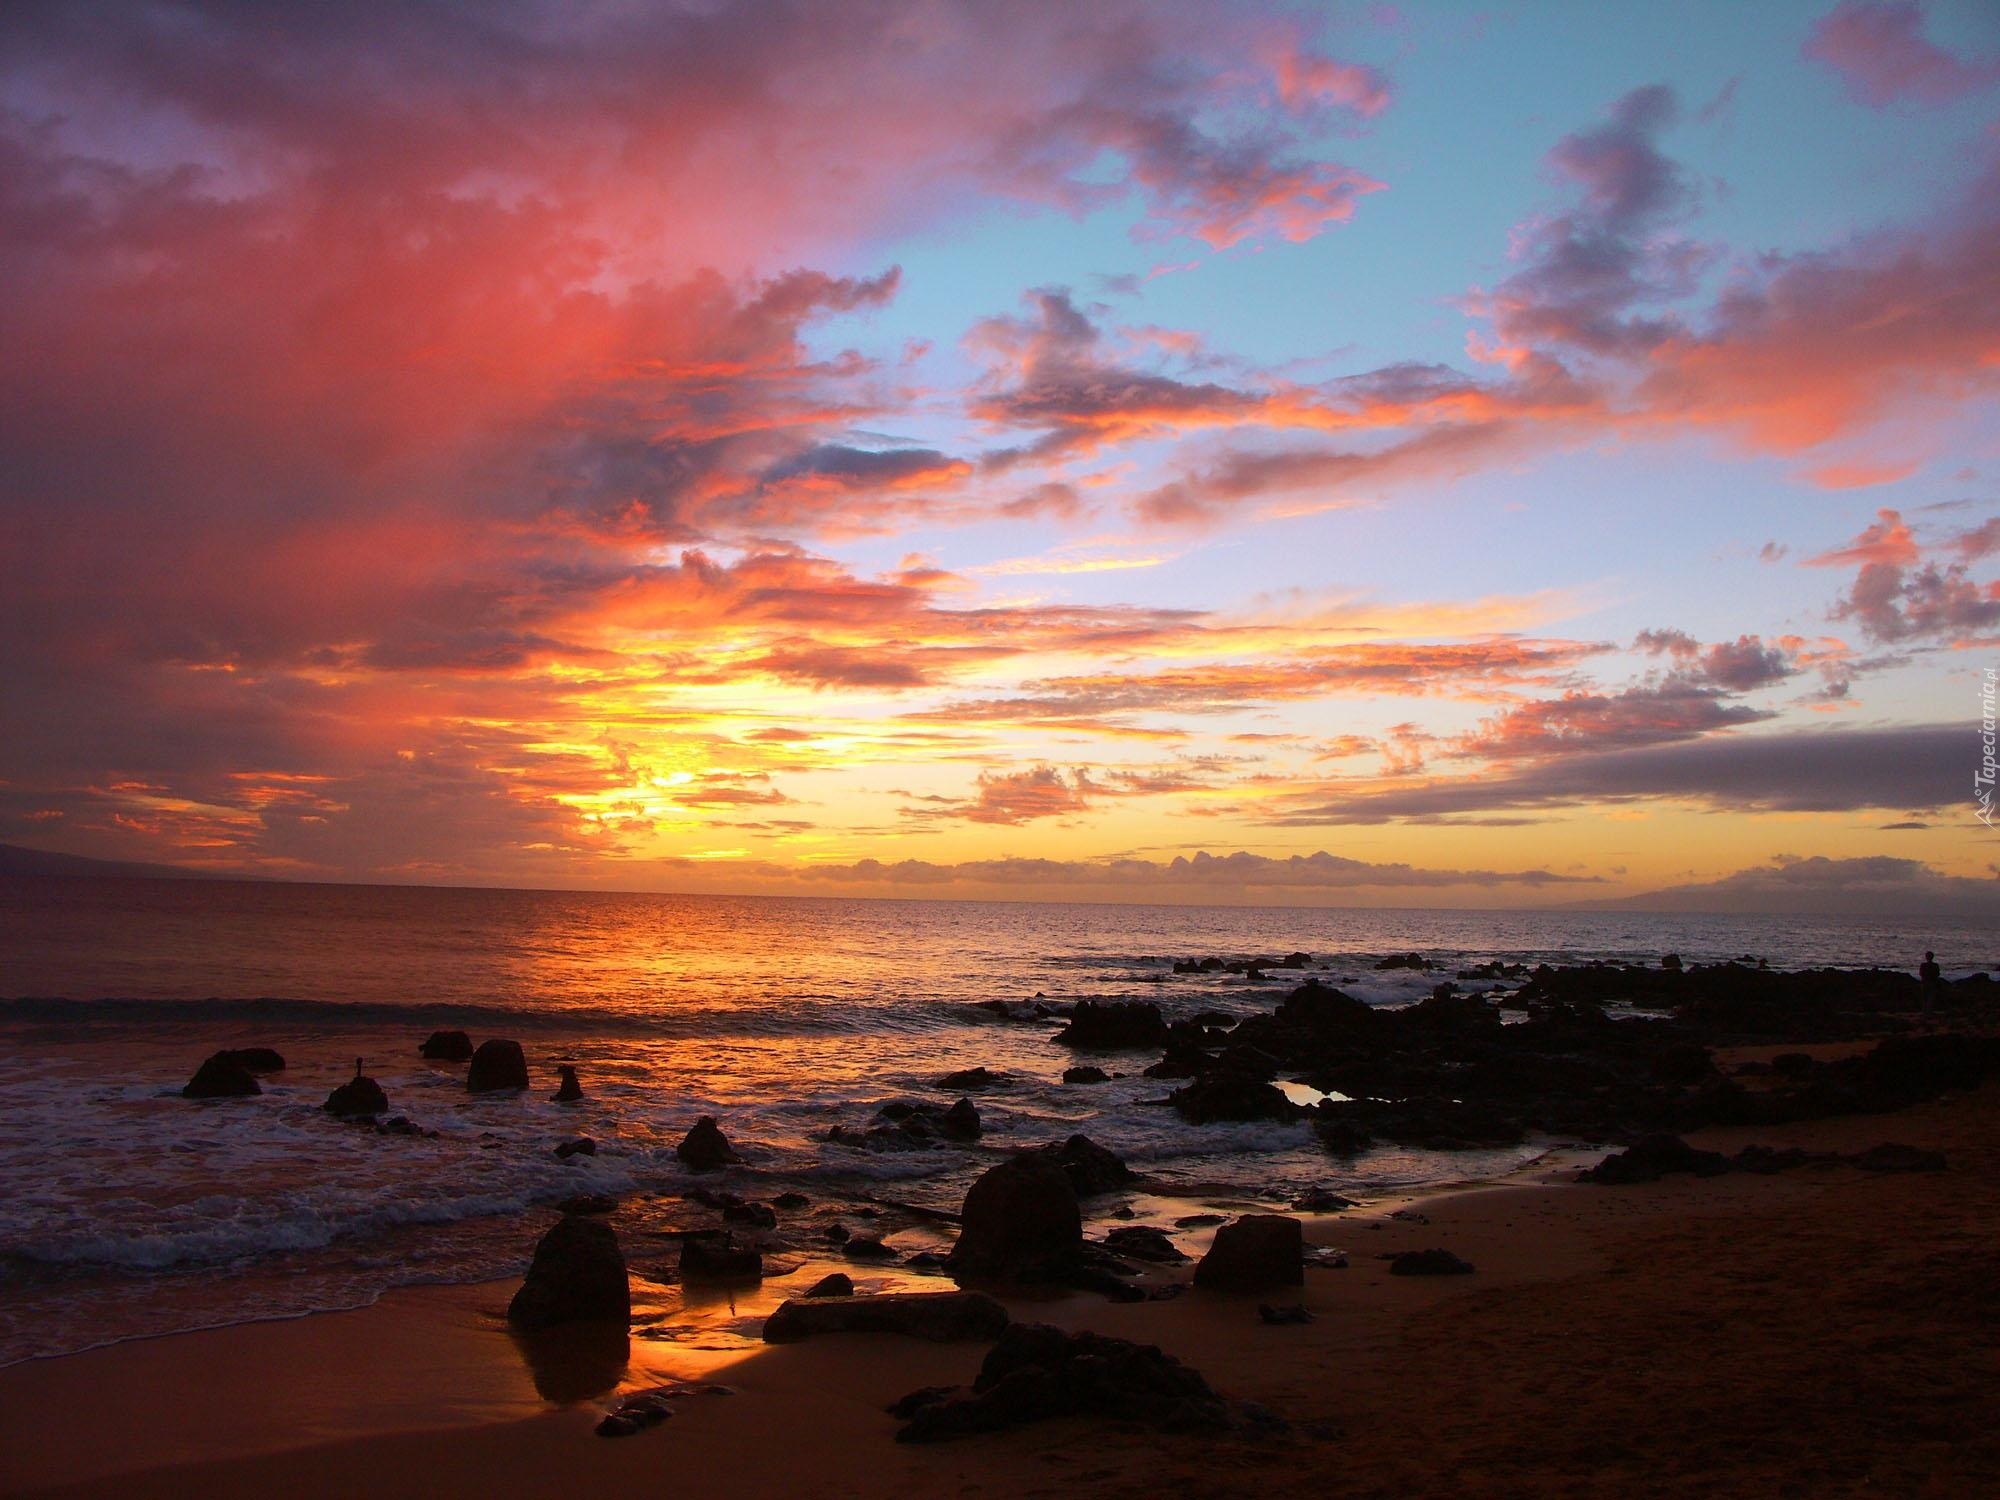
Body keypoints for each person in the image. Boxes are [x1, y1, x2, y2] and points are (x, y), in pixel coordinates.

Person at [1918, 951, 1943, 1022]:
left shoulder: (1923, 965)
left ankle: (1925, 1013)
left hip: (1925, 983)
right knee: (1930, 998)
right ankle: (1928, 1013)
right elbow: (1937, 974)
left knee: (1925, 999)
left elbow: (1921, 973)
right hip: (1932, 983)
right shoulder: (1935, 965)